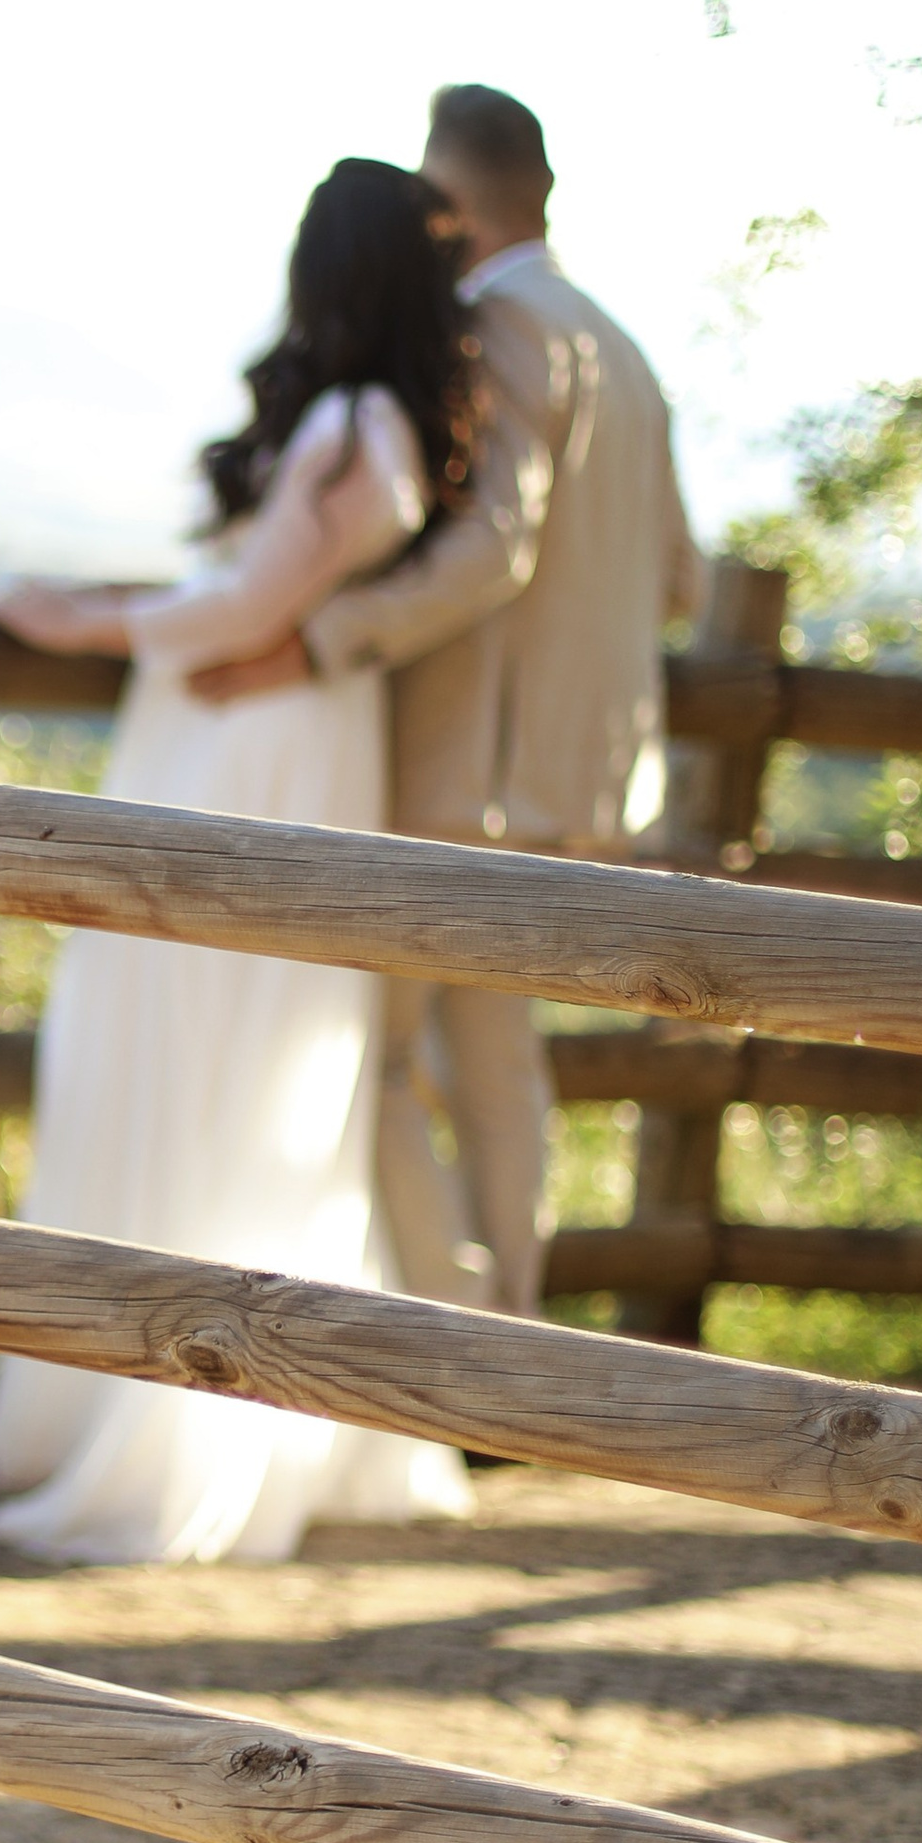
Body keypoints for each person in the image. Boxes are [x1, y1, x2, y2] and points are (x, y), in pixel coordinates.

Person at [0, 157, 477, 1563]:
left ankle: (184, 1426)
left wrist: (72, 616)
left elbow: (262, 598)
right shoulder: (368, 421)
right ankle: (128, 1397)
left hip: (257, 750)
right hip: (251, 731)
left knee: (208, 1053)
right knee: (186, 1047)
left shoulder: (358, 423)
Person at [191, 85, 703, 1318]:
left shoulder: (502, 327)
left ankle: (455, 1334)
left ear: (456, 204)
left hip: (470, 768)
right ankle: (509, 1334)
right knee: (494, 1066)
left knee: (365, 1060)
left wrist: (319, 639)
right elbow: (681, 582)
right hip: (579, 775)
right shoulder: (622, 347)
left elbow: (492, 552)